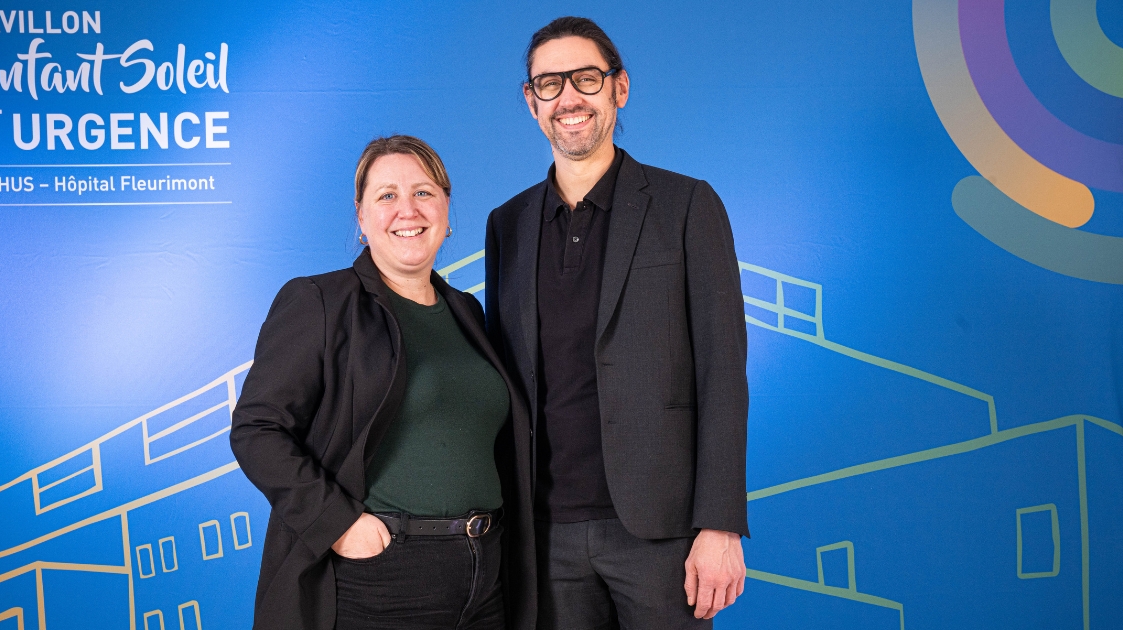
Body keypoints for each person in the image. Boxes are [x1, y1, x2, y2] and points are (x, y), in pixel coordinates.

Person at [484, 16, 749, 630]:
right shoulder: (509, 225)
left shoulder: (688, 205)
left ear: (618, 88)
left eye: (585, 78)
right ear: (531, 102)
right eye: (549, 84)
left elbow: (722, 372)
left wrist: (720, 523)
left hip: (661, 533)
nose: (568, 98)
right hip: (542, 536)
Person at [231, 135, 536, 630]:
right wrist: (337, 524)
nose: (407, 210)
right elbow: (257, 429)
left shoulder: (467, 311)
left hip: (486, 575)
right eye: (387, 195)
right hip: (383, 577)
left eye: (423, 192)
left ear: (445, 206)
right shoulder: (321, 301)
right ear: (361, 217)